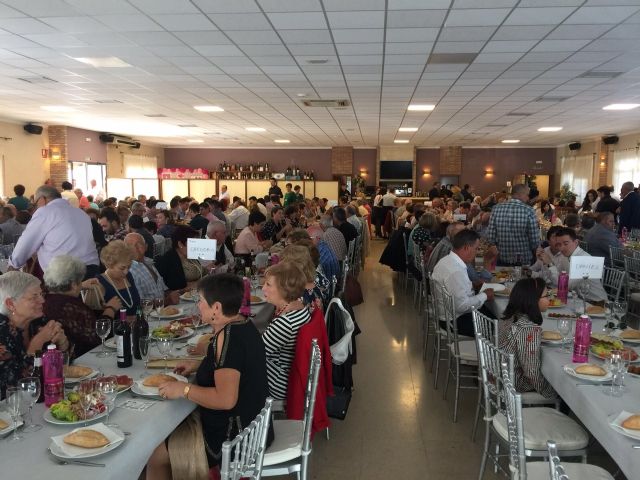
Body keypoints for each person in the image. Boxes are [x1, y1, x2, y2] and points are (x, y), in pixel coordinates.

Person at [147, 274, 271, 476]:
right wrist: (198, 365)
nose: (198, 305)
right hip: (252, 424)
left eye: (201, 301)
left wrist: (184, 389)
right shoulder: (242, 324)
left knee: (155, 455)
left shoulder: (228, 340)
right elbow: (234, 366)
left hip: (234, 438)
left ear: (217, 308)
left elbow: (225, 400)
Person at [0, 271, 70, 399]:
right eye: (34, 297)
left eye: (41, 294)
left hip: (48, 396)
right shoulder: (2, 334)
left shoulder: (38, 322)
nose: (42, 300)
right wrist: (37, 344)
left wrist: (62, 344)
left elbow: (65, 368)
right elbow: (11, 387)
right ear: (10, 304)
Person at [9, 185, 100, 277]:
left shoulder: (44, 212)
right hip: (92, 270)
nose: (36, 207)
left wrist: (13, 265)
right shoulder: (81, 213)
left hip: (65, 274)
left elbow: (27, 242)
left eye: (35, 204)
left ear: (42, 199)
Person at [43, 255, 120, 359]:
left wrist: (82, 285)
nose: (81, 285)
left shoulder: (45, 298)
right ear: (74, 285)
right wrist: (110, 309)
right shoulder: (70, 306)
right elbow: (96, 336)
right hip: (83, 358)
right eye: (80, 281)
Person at [499, 277, 556, 398]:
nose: (550, 299)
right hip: (514, 383)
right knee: (562, 389)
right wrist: (551, 393)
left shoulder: (510, 317)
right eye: (547, 296)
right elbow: (531, 372)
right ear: (533, 300)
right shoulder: (528, 329)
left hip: (500, 375)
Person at [431, 229, 495, 337]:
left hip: (449, 315)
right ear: (466, 248)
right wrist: (485, 295)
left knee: (494, 315)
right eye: (476, 249)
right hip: (454, 322)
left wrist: (473, 285)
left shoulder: (447, 261)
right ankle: (489, 347)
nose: (476, 252)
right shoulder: (456, 271)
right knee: (501, 327)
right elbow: (462, 306)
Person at [261, 261, 310, 399]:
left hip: (278, 384)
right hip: (288, 375)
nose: (263, 288)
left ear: (284, 290)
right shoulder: (300, 305)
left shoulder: (285, 323)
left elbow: (255, 354)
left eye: (268, 284)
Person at [536, 227, 608, 302]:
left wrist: (550, 264)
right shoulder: (565, 257)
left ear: (576, 242)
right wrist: (545, 263)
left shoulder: (584, 259)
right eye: (559, 245)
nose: (561, 248)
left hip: (597, 302)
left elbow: (565, 285)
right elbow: (555, 278)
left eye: (566, 243)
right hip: (579, 299)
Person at [485, 184, 538, 266]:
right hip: (523, 259)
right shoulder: (529, 210)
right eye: (527, 195)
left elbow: (490, 237)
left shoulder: (496, 209)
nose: (528, 198)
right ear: (518, 194)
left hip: (502, 258)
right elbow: (534, 240)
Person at [124, 233, 179, 305]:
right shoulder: (129, 271)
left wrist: (179, 292)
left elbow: (164, 290)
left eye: (139, 244)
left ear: (146, 246)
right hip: (152, 311)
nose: (135, 248)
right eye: (130, 245)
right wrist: (166, 301)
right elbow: (140, 304)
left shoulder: (149, 262)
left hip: (165, 309)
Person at [96, 240, 141, 316]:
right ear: (109, 264)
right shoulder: (99, 282)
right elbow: (98, 319)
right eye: (122, 268)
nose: (126, 271)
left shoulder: (128, 276)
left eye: (129, 267)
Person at [155, 225, 206, 291]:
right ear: (180, 244)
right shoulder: (167, 261)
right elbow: (172, 288)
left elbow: (202, 272)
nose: (197, 247)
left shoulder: (191, 256)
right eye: (193, 244)